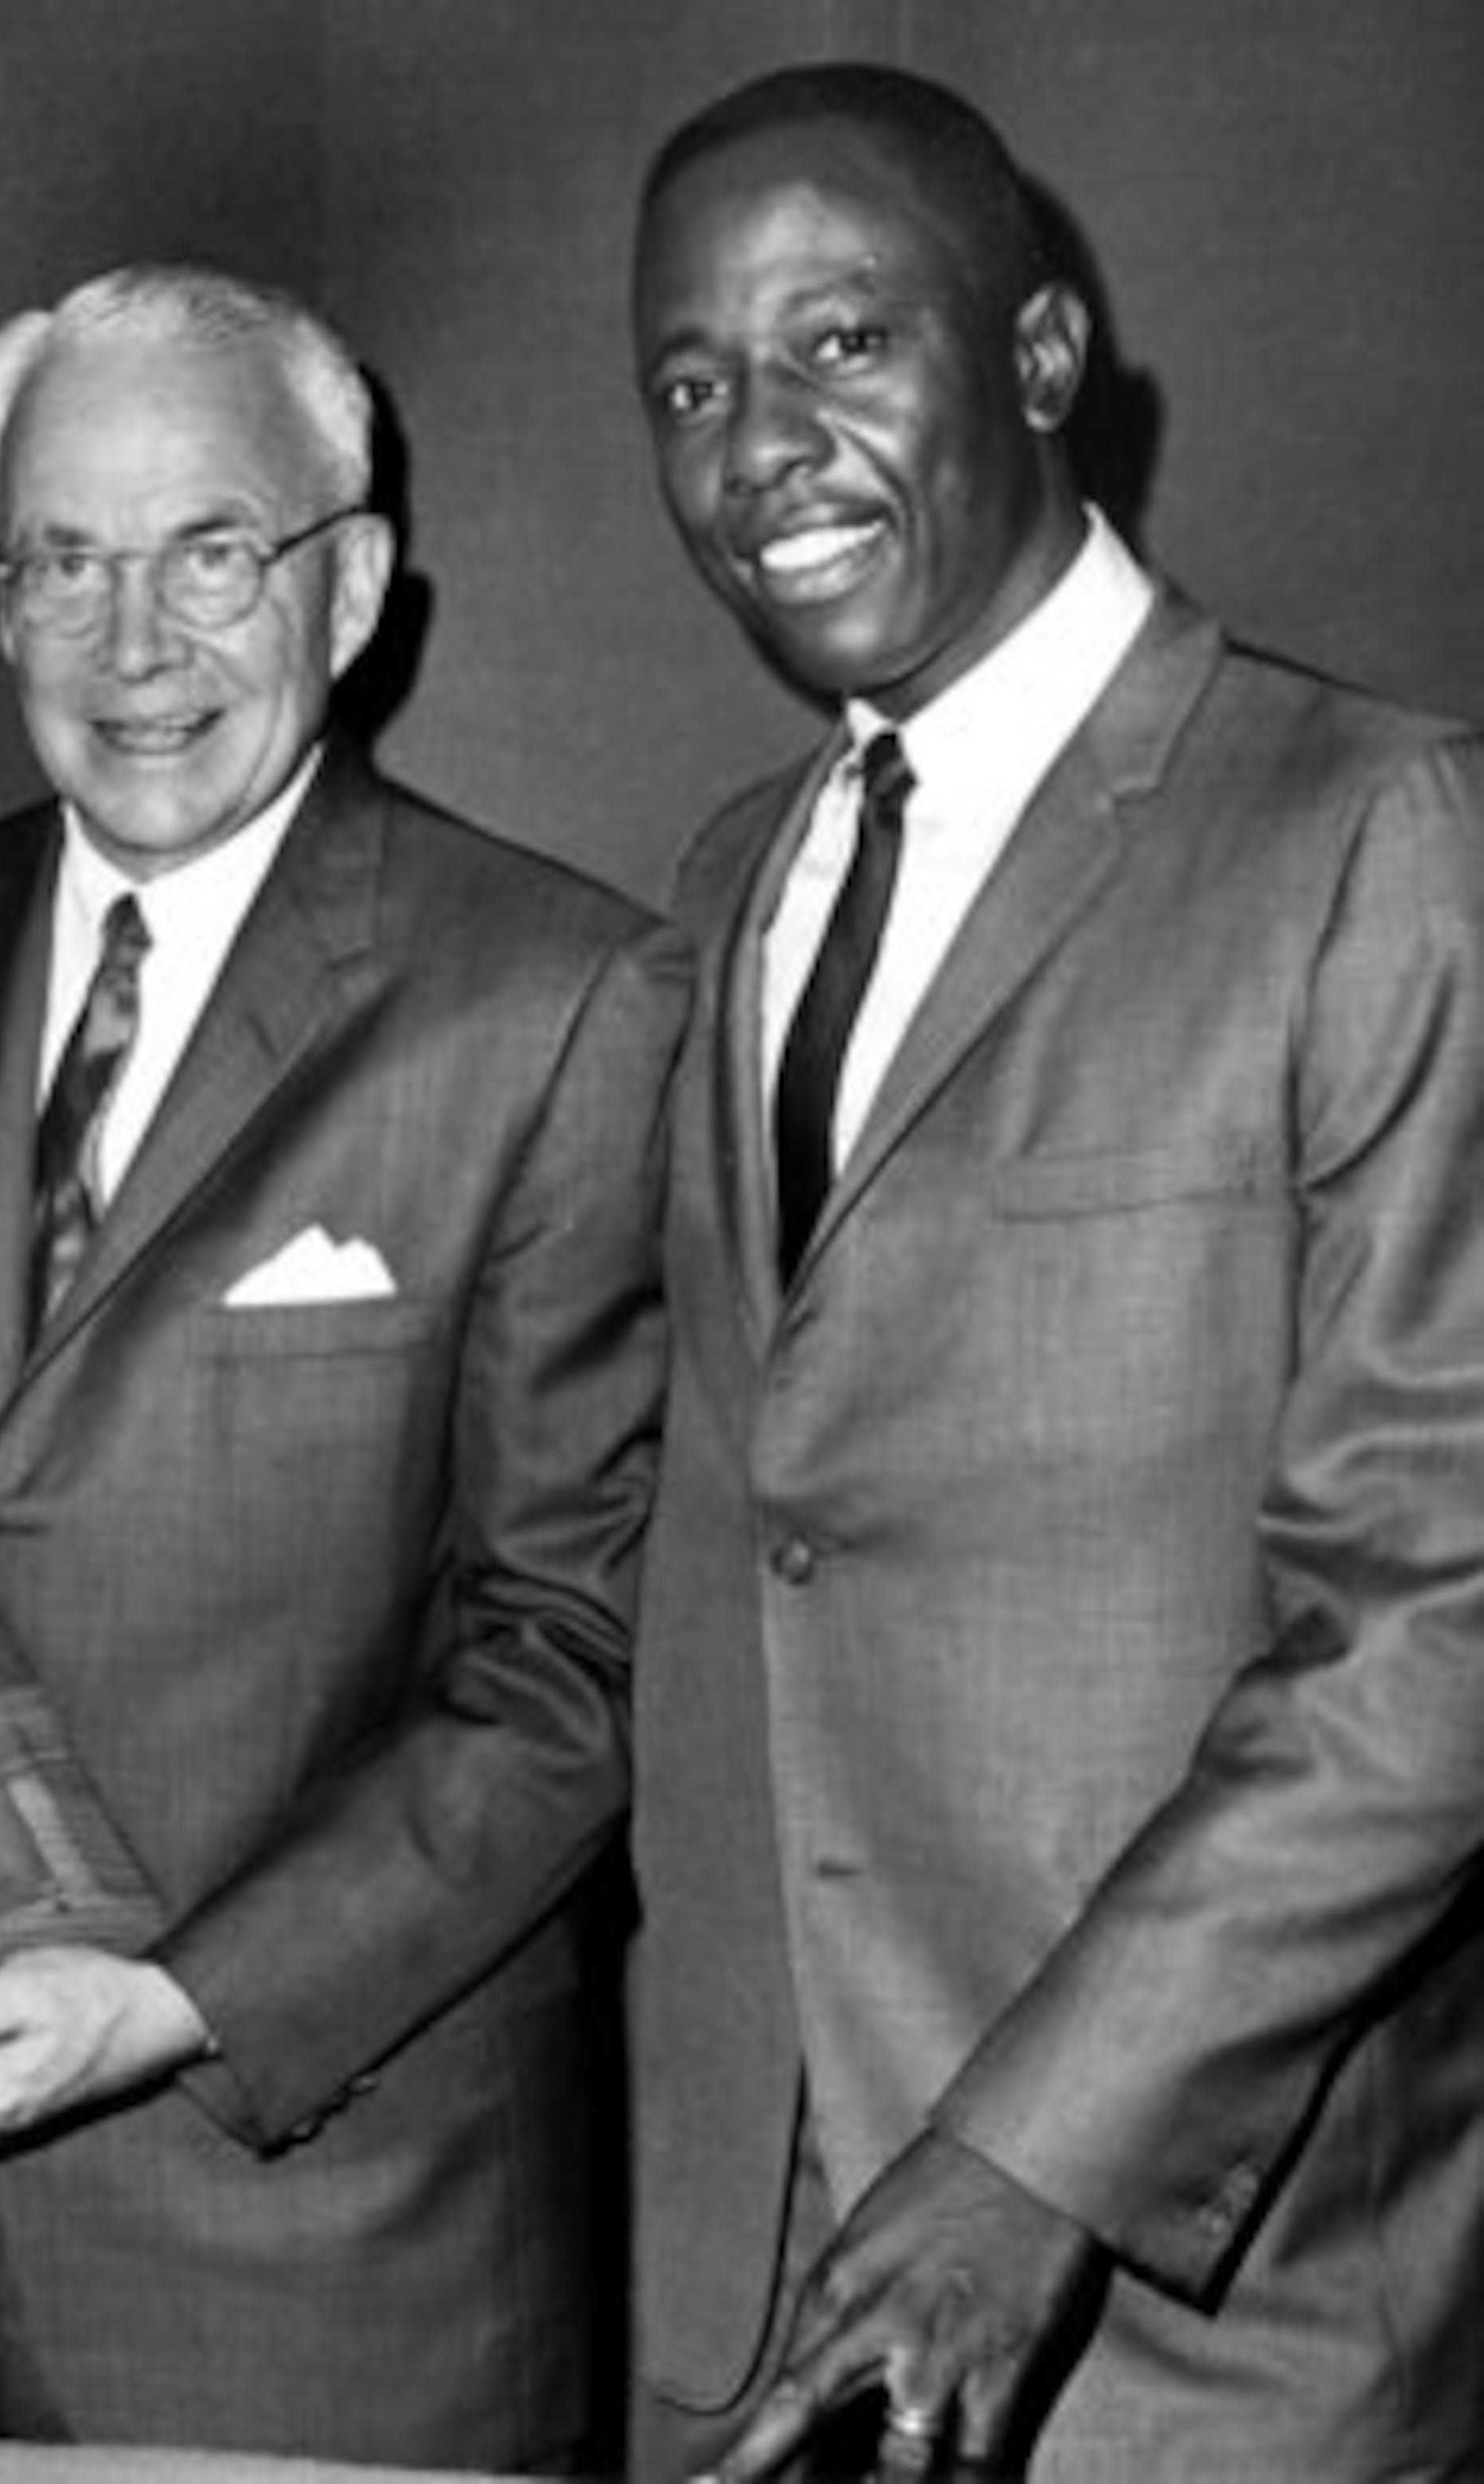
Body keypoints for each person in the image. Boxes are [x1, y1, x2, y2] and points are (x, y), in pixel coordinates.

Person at [0, 263, 687, 2471]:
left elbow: (569, 1664)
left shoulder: (556, 999)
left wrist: (173, 2007)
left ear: (348, 593)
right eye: (65, 560)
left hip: (324, 2270)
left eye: (210, 554)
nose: (131, 646)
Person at [624, 62, 1484, 2481]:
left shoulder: (1378, 834)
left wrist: (1034, 2160)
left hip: (1189, 2341)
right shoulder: (724, 885)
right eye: (689, 386)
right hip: (748, 2311)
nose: (755, 444)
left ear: (1039, 355)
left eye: (838, 346)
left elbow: (1438, 1622)